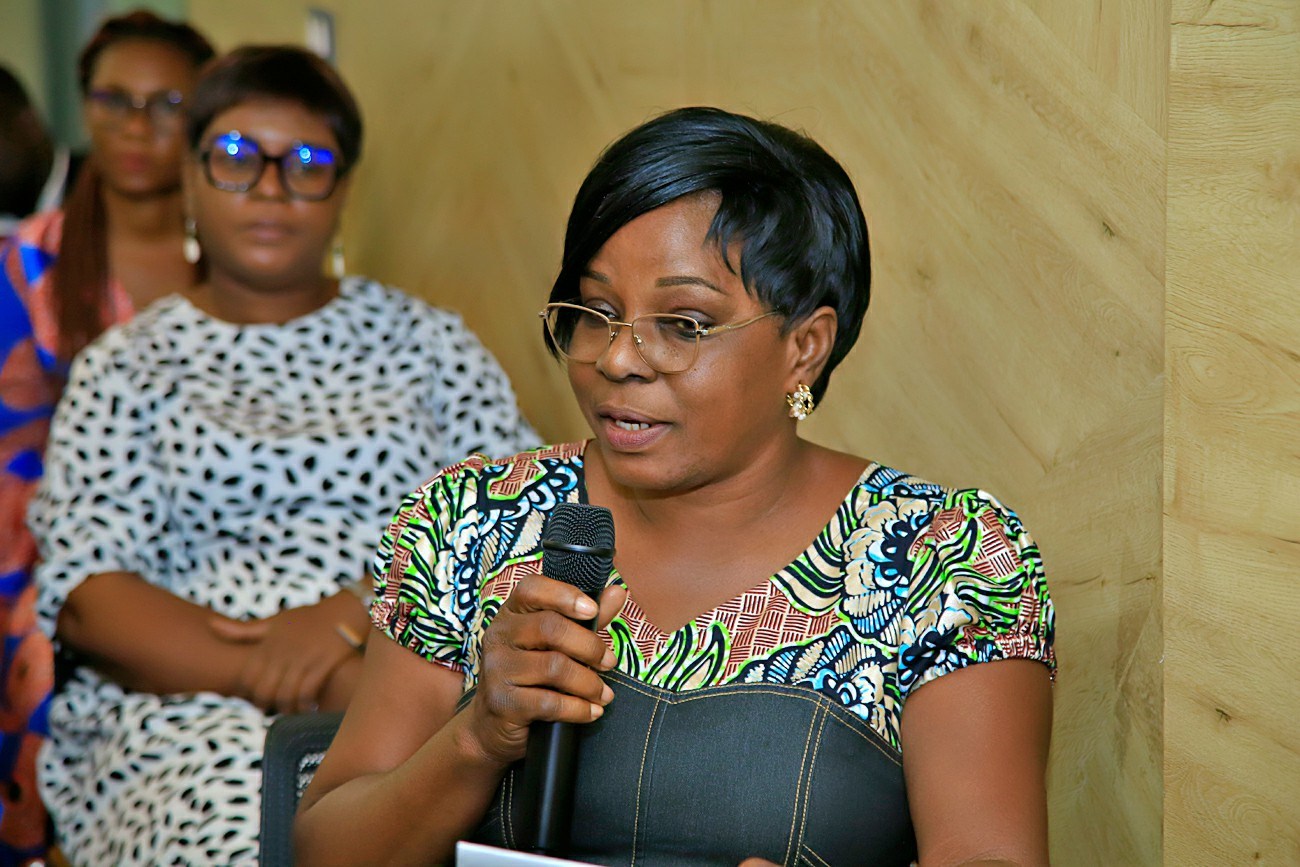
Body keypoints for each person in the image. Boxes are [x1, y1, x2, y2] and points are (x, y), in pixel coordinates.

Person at [297, 107, 1056, 866]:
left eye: (684, 324)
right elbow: (327, 848)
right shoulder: (469, 520)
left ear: (805, 348)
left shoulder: (942, 556)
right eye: (598, 312)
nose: (618, 359)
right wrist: (476, 738)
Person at [28, 45, 538, 865]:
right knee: (240, 835)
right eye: (236, 157)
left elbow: (516, 520)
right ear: (190, 179)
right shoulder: (125, 364)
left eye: (307, 163)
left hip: (408, 692)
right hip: (184, 707)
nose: (270, 188)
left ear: (343, 189)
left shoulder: (429, 344)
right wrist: (285, 668)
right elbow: (91, 596)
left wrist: (351, 624)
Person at [0, 12, 213, 862]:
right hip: (49, 527)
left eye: (168, 104)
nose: (136, 126)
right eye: (114, 101)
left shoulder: (244, 248)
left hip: (211, 524)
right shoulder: (28, 262)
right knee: (43, 644)